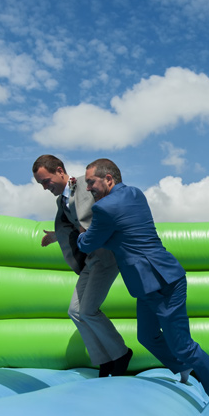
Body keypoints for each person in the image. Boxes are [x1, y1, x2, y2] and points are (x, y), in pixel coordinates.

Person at [77, 158, 209, 399]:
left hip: (161, 283)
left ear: (109, 179)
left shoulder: (103, 209)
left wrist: (78, 235)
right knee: (146, 336)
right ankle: (182, 367)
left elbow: (88, 244)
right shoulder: (135, 194)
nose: (87, 188)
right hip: (149, 283)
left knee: (183, 346)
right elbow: (122, 234)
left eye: (91, 182)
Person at [32, 154, 132, 376]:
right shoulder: (62, 201)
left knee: (88, 310)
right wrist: (56, 235)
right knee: (75, 311)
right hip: (90, 259)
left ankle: (121, 354)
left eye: (46, 181)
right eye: (41, 184)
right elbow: (73, 224)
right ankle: (104, 360)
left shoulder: (87, 185)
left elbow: (107, 207)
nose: (45, 187)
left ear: (60, 171)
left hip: (106, 255)